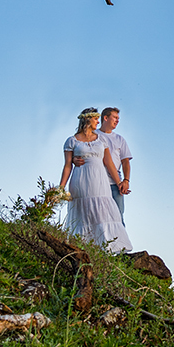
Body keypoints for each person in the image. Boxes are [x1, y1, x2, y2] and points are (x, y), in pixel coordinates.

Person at [57, 107, 132, 252]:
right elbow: (67, 166)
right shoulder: (72, 141)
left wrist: (120, 182)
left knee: (104, 213)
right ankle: (83, 248)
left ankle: (108, 249)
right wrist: (61, 187)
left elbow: (109, 163)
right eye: (95, 119)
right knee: (83, 213)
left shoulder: (101, 139)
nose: (98, 121)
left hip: (100, 181)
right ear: (87, 119)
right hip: (80, 180)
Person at [73, 106, 132, 222]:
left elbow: (125, 161)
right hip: (95, 182)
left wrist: (125, 181)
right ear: (105, 118)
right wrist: (74, 159)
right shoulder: (92, 135)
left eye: (118, 118)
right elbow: (79, 149)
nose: (117, 120)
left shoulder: (120, 139)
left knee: (118, 217)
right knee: (96, 217)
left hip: (114, 183)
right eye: (115, 117)